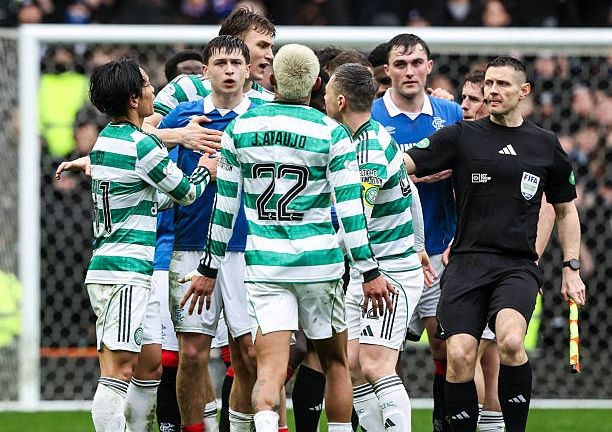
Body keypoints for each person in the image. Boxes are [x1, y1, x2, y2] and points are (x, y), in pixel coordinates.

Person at [180, 44, 394, 432]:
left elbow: (224, 209)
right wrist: (370, 271)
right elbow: (351, 213)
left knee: (269, 370)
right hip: (319, 265)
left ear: (272, 78)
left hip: (265, 266)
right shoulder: (331, 132)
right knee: (335, 364)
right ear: (317, 84)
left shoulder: (240, 130)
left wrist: (208, 269)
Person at [403, 56, 586, 432]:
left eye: (502, 84)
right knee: (458, 356)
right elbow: (403, 162)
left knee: (511, 341)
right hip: (466, 263)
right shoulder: (461, 136)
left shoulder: (544, 144)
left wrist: (571, 267)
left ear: (524, 91)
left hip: (516, 265)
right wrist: (366, 155)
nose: (493, 91)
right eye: (488, 83)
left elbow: (566, 211)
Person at [83, 58, 215, 432]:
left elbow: (148, 200)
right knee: (118, 372)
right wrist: (206, 170)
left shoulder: (107, 139)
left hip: (116, 266)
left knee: (149, 364)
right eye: (145, 84)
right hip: (125, 272)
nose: (152, 89)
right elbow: (186, 192)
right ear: (132, 98)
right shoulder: (142, 146)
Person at [325, 62, 434, 432]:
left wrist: (319, 249)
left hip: (386, 271)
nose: (324, 99)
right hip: (367, 268)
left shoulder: (369, 149)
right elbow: (412, 192)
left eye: (328, 92)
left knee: (376, 365)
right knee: (353, 364)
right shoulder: (358, 139)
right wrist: (419, 244)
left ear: (340, 100)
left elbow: (359, 216)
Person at [159, 35, 254, 432]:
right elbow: (147, 157)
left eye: (236, 63)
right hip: (191, 247)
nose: (229, 71)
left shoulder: (262, 116)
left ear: (248, 70)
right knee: (193, 354)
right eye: (220, 63)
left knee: (249, 354)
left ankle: (240, 426)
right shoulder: (183, 117)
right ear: (205, 71)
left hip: (249, 248)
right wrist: (177, 138)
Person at [371, 33, 462, 432]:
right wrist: (408, 174)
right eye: (400, 64)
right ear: (387, 70)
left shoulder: (451, 113)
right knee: (384, 352)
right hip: (385, 252)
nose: (409, 72)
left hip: (440, 248)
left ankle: (443, 423)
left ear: (429, 66)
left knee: (444, 343)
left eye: (416, 63)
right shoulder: (371, 113)